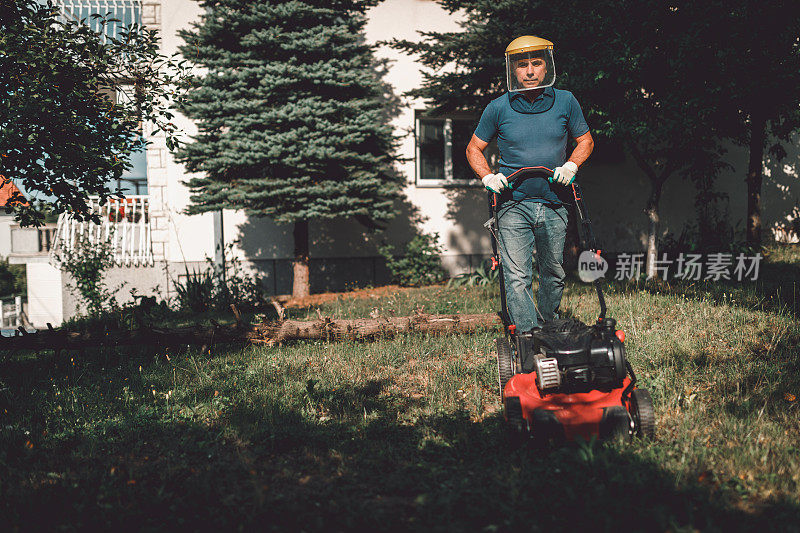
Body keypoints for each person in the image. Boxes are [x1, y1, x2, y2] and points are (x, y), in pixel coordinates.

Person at [466, 35, 594, 333]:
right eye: (522, 65)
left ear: (546, 66)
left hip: (554, 203)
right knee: (516, 275)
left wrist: (572, 164)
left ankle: (548, 327)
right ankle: (528, 336)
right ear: (513, 70)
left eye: (536, 63)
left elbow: (585, 140)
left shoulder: (565, 100)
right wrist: (487, 176)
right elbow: (474, 148)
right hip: (512, 205)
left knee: (553, 273)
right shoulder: (498, 107)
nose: (530, 71)